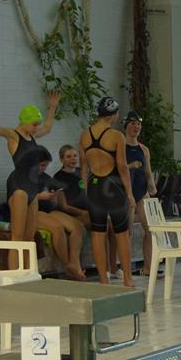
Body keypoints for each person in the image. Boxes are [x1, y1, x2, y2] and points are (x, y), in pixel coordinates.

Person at [0, 86, 59, 270]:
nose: (37, 128)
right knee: (17, 237)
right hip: (19, 187)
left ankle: (28, 275)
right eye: (34, 124)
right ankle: (15, 279)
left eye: (37, 124)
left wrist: (52, 107)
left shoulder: (32, 135)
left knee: (30, 239)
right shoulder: (13, 135)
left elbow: (47, 127)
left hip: (32, 189)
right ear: (25, 121)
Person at [79, 96, 135, 287]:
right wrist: (129, 193)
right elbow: (122, 167)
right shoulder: (117, 136)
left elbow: (83, 168)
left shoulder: (84, 135)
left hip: (94, 188)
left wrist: (86, 191)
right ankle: (127, 279)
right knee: (122, 234)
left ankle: (103, 280)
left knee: (98, 234)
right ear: (114, 114)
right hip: (114, 188)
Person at [108, 111, 158, 278]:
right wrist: (130, 166)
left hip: (142, 192)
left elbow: (147, 172)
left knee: (151, 230)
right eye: (132, 123)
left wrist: (152, 187)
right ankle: (118, 267)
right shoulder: (119, 147)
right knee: (125, 233)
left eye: (138, 124)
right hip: (125, 193)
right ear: (126, 126)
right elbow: (113, 171)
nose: (136, 127)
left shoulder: (144, 149)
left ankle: (148, 268)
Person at [35, 148, 87, 280]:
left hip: (50, 211)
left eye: (45, 166)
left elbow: (57, 201)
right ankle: (67, 266)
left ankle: (74, 263)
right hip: (33, 211)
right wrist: (40, 197)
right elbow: (18, 199)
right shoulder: (23, 179)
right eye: (41, 165)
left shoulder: (47, 178)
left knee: (78, 227)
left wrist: (53, 199)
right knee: (57, 227)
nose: (43, 168)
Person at [53, 144, 90, 227]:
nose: (73, 158)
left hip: (86, 210)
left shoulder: (81, 171)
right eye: (69, 156)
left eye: (75, 156)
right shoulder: (58, 177)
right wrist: (83, 213)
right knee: (97, 223)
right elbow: (64, 206)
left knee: (108, 222)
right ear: (62, 159)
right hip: (71, 214)